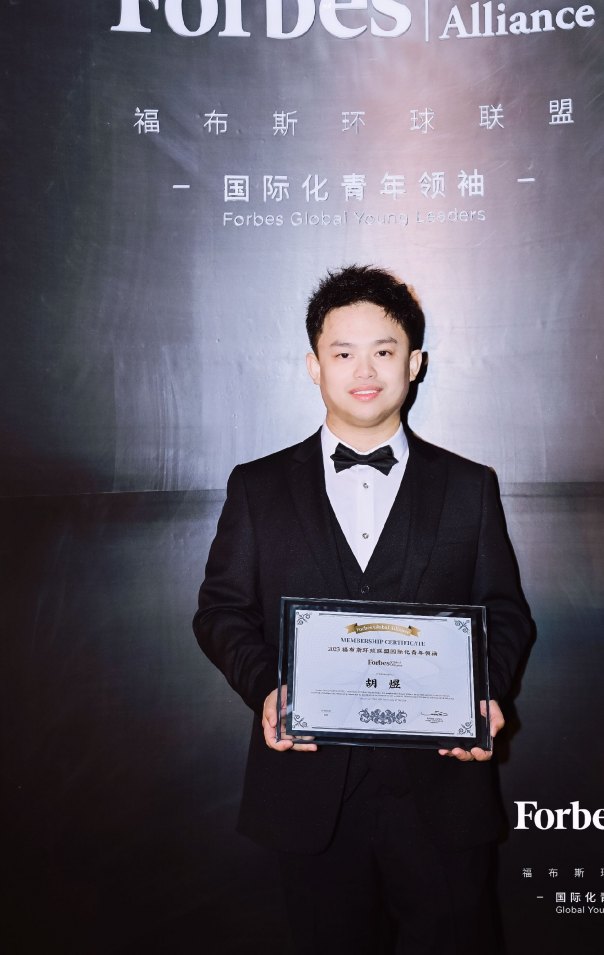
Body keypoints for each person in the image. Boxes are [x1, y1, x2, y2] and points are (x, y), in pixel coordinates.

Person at [193, 265, 532, 954]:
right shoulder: (257, 486)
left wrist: (484, 693)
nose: (365, 370)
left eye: (384, 349)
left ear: (415, 362)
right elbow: (221, 611)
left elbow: (505, 612)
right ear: (314, 366)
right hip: (310, 790)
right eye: (343, 352)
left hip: (443, 786)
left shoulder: (470, 486)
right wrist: (268, 690)